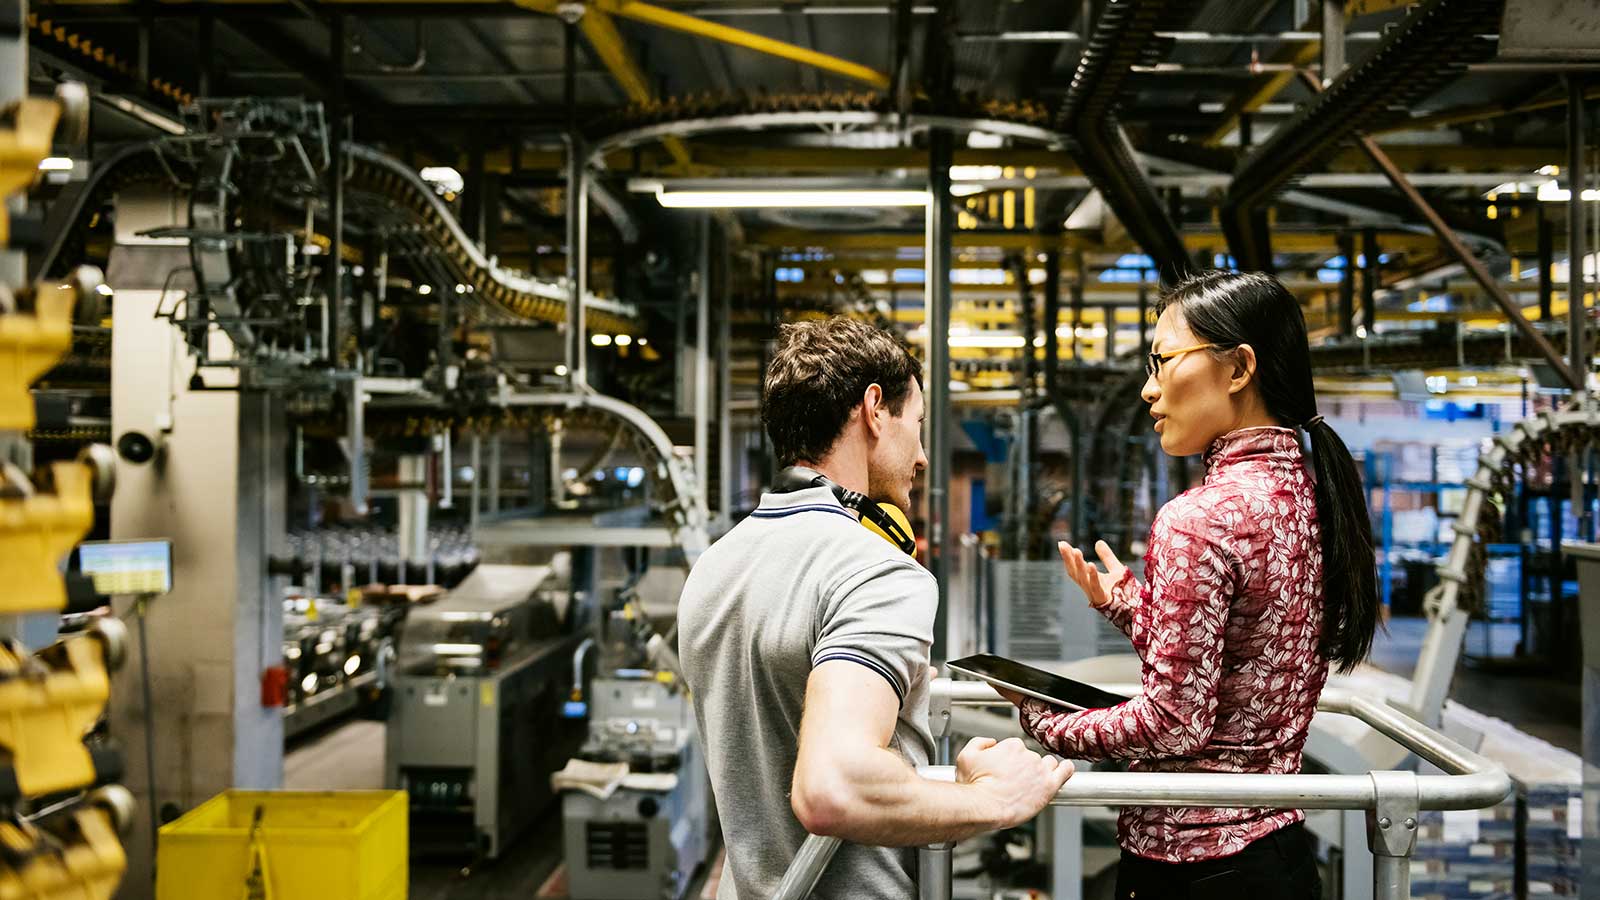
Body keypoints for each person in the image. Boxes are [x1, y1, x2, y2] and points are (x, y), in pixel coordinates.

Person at [1007, 270, 1379, 900]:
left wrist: (1044, 723)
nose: (1150, 390)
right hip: (1279, 857)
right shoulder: (1313, 501)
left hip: (1193, 869)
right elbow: (1240, 659)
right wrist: (1125, 603)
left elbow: (1176, 724)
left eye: (1164, 361)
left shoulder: (1198, 518)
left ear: (1238, 369)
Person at [678, 316, 1073, 900]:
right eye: (915, 425)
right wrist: (989, 799)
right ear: (873, 410)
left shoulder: (714, 566)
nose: (920, 455)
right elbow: (831, 788)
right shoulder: (877, 570)